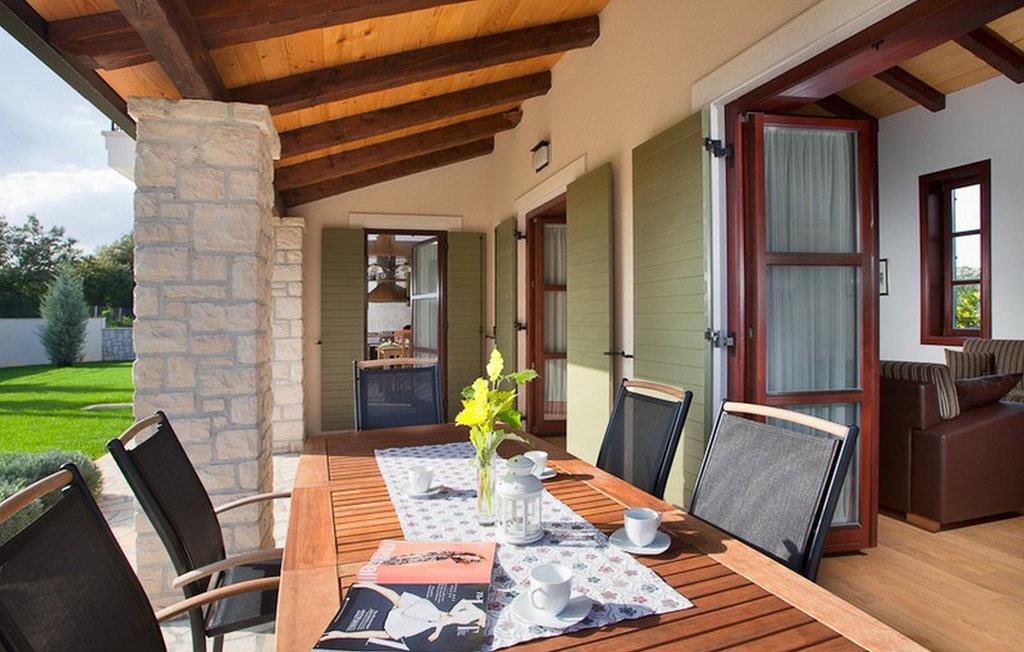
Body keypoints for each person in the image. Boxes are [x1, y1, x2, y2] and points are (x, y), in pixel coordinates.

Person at [318, 582, 487, 648]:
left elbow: (452, 616)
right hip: (432, 616)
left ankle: (341, 634)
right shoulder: (477, 614)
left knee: (389, 633)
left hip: (430, 620)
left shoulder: (476, 620)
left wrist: (442, 625)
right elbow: (461, 604)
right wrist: (444, 623)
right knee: (399, 602)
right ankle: (370, 585)